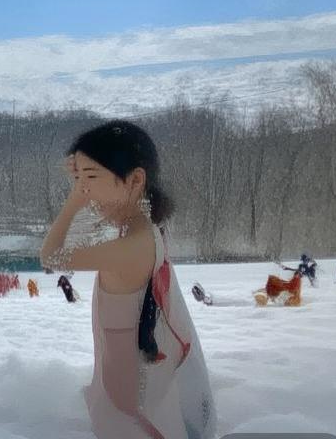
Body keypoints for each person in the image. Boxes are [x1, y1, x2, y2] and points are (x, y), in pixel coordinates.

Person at [40, 120, 216, 439]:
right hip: (135, 383)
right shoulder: (143, 230)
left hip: (130, 404)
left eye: (91, 177)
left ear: (135, 180)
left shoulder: (133, 246)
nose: (84, 189)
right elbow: (88, 233)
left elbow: (51, 257)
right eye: (78, 179)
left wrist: (74, 200)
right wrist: (86, 175)